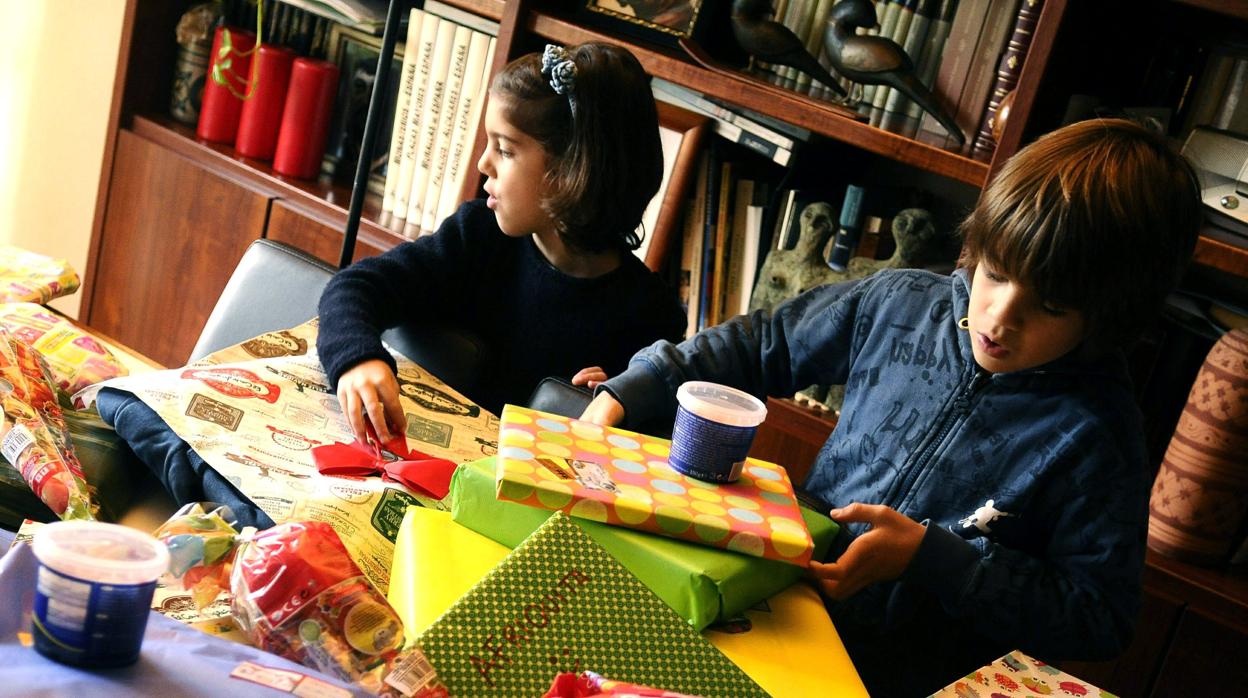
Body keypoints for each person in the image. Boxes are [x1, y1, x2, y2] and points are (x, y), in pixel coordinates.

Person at [579, 118, 1202, 695]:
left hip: (895, 677)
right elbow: (761, 342)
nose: (1001, 317)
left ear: (1109, 318)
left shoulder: (1099, 434)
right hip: (773, 609)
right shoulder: (901, 301)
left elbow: (1098, 617)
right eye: (995, 272)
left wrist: (935, 559)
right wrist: (633, 389)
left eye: (1052, 307)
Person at [318, 42, 686, 442]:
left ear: (571, 172)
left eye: (505, 149)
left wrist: (619, 400)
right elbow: (354, 287)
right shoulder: (476, 237)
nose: (483, 162)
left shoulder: (651, 315)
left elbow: (650, 446)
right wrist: (359, 359)